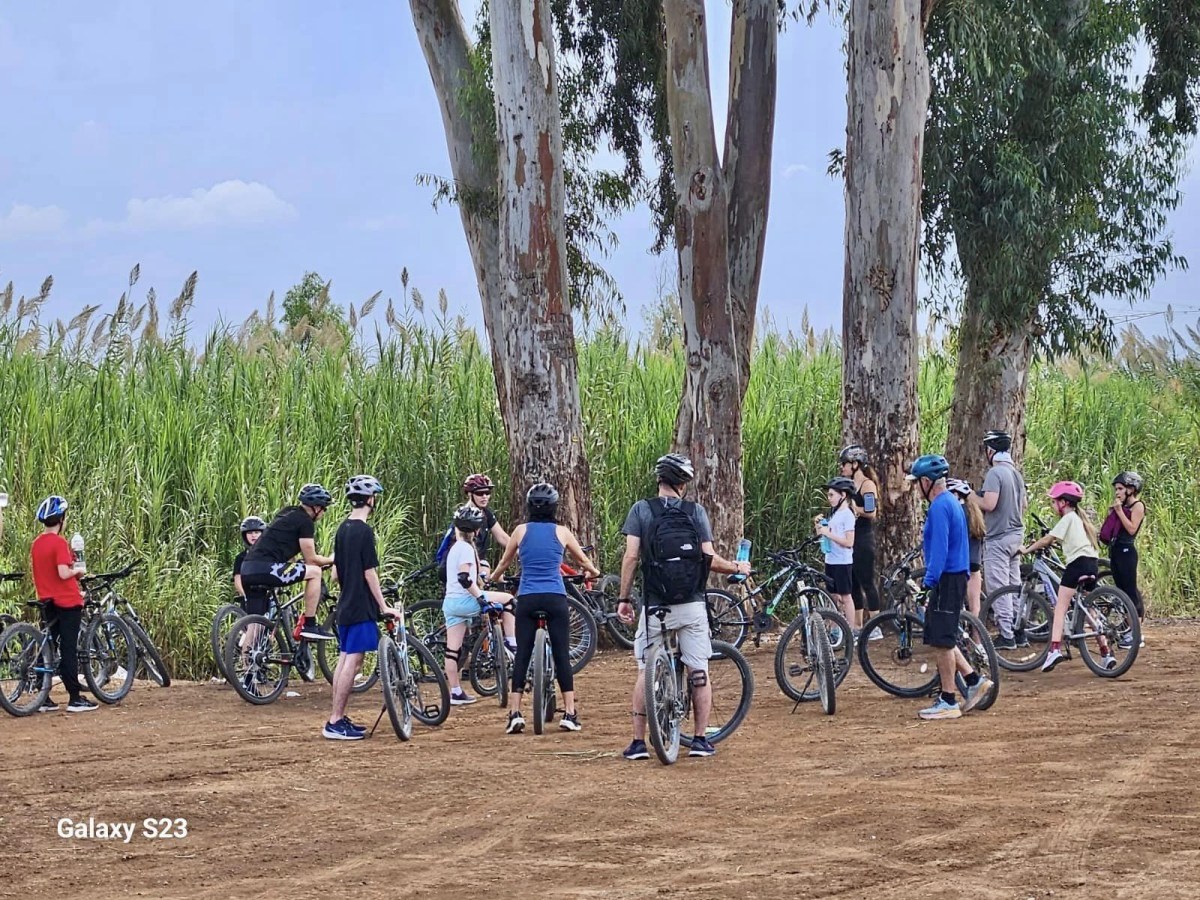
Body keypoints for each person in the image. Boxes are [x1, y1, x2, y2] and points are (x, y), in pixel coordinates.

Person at [616, 453, 750, 760]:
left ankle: (638, 743)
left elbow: (632, 557)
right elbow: (709, 559)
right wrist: (737, 566)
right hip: (691, 604)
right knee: (698, 669)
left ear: (659, 481)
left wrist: (624, 598)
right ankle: (701, 740)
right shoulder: (695, 512)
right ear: (683, 484)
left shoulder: (641, 510)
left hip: (655, 607)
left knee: (645, 670)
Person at [490, 482, 600, 735]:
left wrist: (494, 578)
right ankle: (570, 713)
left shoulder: (520, 531)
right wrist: (593, 572)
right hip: (555, 598)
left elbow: (505, 562)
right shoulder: (562, 532)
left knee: (522, 655)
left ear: (529, 507)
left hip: (528, 599)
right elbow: (582, 560)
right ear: (554, 507)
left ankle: (515, 713)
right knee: (561, 654)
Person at [906, 455, 993, 720]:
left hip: (946, 577)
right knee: (941, 636)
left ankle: (948, 699)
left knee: (942, 642)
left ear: (925, 482)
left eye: (916, 483)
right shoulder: (951, 503)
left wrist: (927, 584)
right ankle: (973, 679)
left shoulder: (940, 507)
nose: (915, 489)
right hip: (954, 576)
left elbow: (940, 551)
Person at [324, 475, 402, 741]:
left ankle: (338, 717)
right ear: (371, 499)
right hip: (360, 605)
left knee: (345, 659)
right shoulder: (364, 531)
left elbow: (335, 575)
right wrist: (384, 606)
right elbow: (370, 573)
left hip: (345, 603)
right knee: (354, 662)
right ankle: (335, 720)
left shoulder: (342, 529)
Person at [1020, 481, 1111, 672]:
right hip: (1091, 564)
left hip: (1077, 565)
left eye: (1054, 502)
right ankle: (1105, 652)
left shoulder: (1068, 518)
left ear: (1063, 503)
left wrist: (1027, 549)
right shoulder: (1079, 520)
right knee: (1089, 609)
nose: (1053, 506)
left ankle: (1054, 649)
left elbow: (1048, 539)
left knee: (1060, 607)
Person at [239, 484, 336, 641]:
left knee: (255, 624)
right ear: (316, 507)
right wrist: (332, 560)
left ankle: (247, 664)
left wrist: (298, 563)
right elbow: (312, 559)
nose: (324, 512)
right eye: (324, 508)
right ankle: (310, 625)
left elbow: (285, 550)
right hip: (267, 568)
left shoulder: (287, 513)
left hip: (248, 569)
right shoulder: (305, 521)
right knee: (315, 572)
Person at [441, 504, 516, 706]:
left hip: (450, 603)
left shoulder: (454, 548)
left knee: (452, 650)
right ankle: (512, 643)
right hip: (467, 600)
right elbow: (465, 578)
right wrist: (480, 598)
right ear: (475, 530)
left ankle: (455, 692)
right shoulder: (466, 548)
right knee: (508, 600)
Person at [29, 495, 97, 713]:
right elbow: (62, 572)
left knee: (48, 644)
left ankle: (43, 696)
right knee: (68, 647)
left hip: (46, 600)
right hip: (67, 601)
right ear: (61, 519)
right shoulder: (59, 542)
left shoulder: (37, 543)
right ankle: (75, 698)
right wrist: (78, 570)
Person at [978, 430, 1028, 649]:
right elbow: (1024, 505)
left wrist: (968, 495)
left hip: (998, 537)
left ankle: (1006, 634)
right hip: (1016, 535)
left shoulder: (995, 473)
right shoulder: (1015, 473)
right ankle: (1019, 632)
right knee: (1013, 585)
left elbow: (989, 504)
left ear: (990, 451)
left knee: (999, 588)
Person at [839, 445, 882, 627]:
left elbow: (872, 511)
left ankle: (875, 624)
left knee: (867, 582)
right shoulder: (849, 485)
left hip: (864, 539)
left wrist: (855, 509)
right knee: (853, 582)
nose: (842, 468)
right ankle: (857, 625)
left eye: (844, 464)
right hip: (851, 539)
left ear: (855, 464)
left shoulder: (867, 485)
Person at [1103, 471, 1145, 646]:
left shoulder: (1138, 506)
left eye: (1120, 489)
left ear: (1131, 489)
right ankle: (1128, 629)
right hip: (1117, 551)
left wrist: (1119, 511)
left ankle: (1136, 635)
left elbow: (1132, 529)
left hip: (1127, 551)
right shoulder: (1123, 507)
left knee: (1129, 593)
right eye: (1116, 489)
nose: (1117, 493)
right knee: (1121, 591)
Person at [815, 477, 857, 635]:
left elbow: (849, 542)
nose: (829, 498)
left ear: (843, 495)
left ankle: (850, 630)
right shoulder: (833, 514)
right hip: (830, 559)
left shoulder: (847, 515)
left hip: (842, 562)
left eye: (832, 495)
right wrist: (820, 528)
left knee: (846, 596)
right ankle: (833, 628)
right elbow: (826, 535)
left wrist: (828, 534)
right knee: (832, 596)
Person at [459, 474, 510, 578]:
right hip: (465, 564)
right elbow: (462, 547)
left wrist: (523, 551)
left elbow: (502, 537)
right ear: (470, 494)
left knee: (500, 579)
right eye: (480, 493)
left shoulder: (486, 513)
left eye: (487, 493)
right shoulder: (464, 516)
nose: (484, 497)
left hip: (479, 562)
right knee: (486, 571)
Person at [947, 479, 986, 618]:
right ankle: (977, 638)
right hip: (974, 564)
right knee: (975, 607)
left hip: (959, 563)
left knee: (953, 603)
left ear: (955, 495)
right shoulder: (975, 513)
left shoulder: (955, 512)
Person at [232, 515, 266, 607]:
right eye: (250, 532)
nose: (253, 535)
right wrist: (243, 596)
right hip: (248, 595)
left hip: (267, 595)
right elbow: (237, 579)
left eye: (256, 532)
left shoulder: (268, 555)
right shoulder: (241, 557)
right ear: (245, 535)